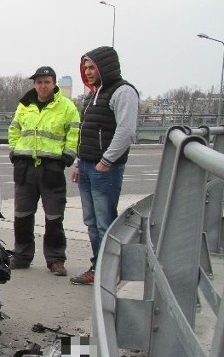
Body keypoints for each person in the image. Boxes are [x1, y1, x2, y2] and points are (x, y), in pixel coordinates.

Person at [69, 46, 138, 285]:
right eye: (85, 67)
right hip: (88, 167)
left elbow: (126, 131)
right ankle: (98, 266)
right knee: (91, 223)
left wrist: (105, 161)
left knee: (105, 222)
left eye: (92, 67)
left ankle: (108, 270)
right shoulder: (92, 94)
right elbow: (85, 133)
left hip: (104, 169)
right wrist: (79, 162)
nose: (87, 72)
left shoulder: (123, 92)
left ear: (104, 67)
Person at [8, 66, 80, 276]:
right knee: (22, 215)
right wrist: (14, 151)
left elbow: (74, 132)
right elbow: (14, 129)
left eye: (47, 82)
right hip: (25, 166)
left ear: (54, 83)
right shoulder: (25, 104)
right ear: (34, 84)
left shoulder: (67, 107)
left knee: (54, 216)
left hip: (51, 167)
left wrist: (67, 157)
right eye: (39, 82)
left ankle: (56, 259)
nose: (42, 86)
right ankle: (22, 256)